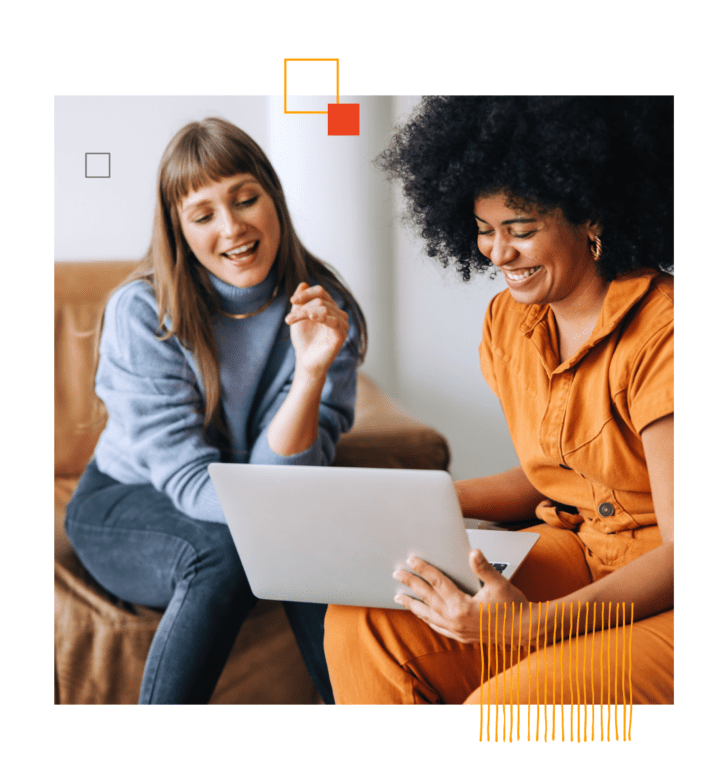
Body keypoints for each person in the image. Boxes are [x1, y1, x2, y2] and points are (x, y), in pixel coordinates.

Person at [324, 96, 673, 705]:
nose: (498, 253)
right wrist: (429, 501)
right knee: (367, 620)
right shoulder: (510, 322)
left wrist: (533, 624)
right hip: (583, 549)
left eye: (521, 230)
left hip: (675, 593)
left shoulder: (667, 333)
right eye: (485, 231)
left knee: (499, 713)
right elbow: (562, 477)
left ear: (591, 214)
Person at [65, 116, 366, 704]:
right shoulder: (142, 312)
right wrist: (280, 517)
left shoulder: (328, 312)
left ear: (273, 199)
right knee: (234, 551)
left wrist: (309, 375)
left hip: (251, 500)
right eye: (203, 215)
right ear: (179, 231)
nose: (232, 228)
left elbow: (291, 486)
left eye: (245, 199)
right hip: (125, 502)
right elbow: (189, 483)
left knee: (307, 549)